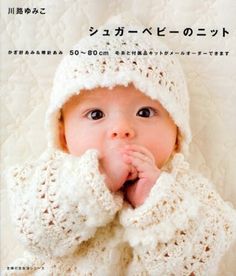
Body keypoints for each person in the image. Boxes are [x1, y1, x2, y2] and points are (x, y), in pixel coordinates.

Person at [4, 17, 236, 276]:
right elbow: (36, 236)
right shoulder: (53, 175)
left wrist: (158, 203)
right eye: (95, 114)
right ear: (63, 135)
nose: (121, 129)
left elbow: (199, 260)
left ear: (177, 134)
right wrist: (94, 183)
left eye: (145, 112)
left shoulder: (185, 189)